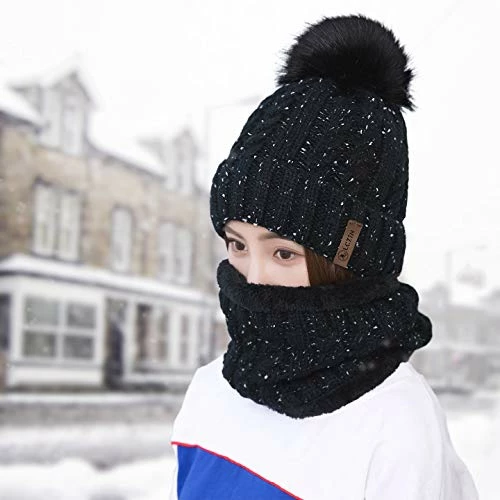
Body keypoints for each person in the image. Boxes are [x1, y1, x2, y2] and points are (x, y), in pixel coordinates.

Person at [168, 14, 479, 499]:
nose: (252, 278)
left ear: (352, 259)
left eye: (284, 252)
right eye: (237, 245)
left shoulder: (394, 424)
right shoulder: (210, 391)